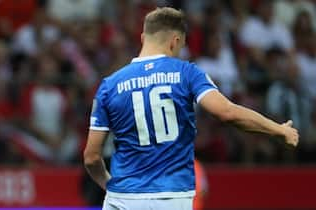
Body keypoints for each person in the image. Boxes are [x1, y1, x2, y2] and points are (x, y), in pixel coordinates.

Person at [83, 7, 299, 210]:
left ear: (142, 38)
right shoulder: (186, 73)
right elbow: (227, 112)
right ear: (175, 41)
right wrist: (278, 130)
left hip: (123, 198)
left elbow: (92, 157)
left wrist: (109, 185)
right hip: (171, 197)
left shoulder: (109, 86)